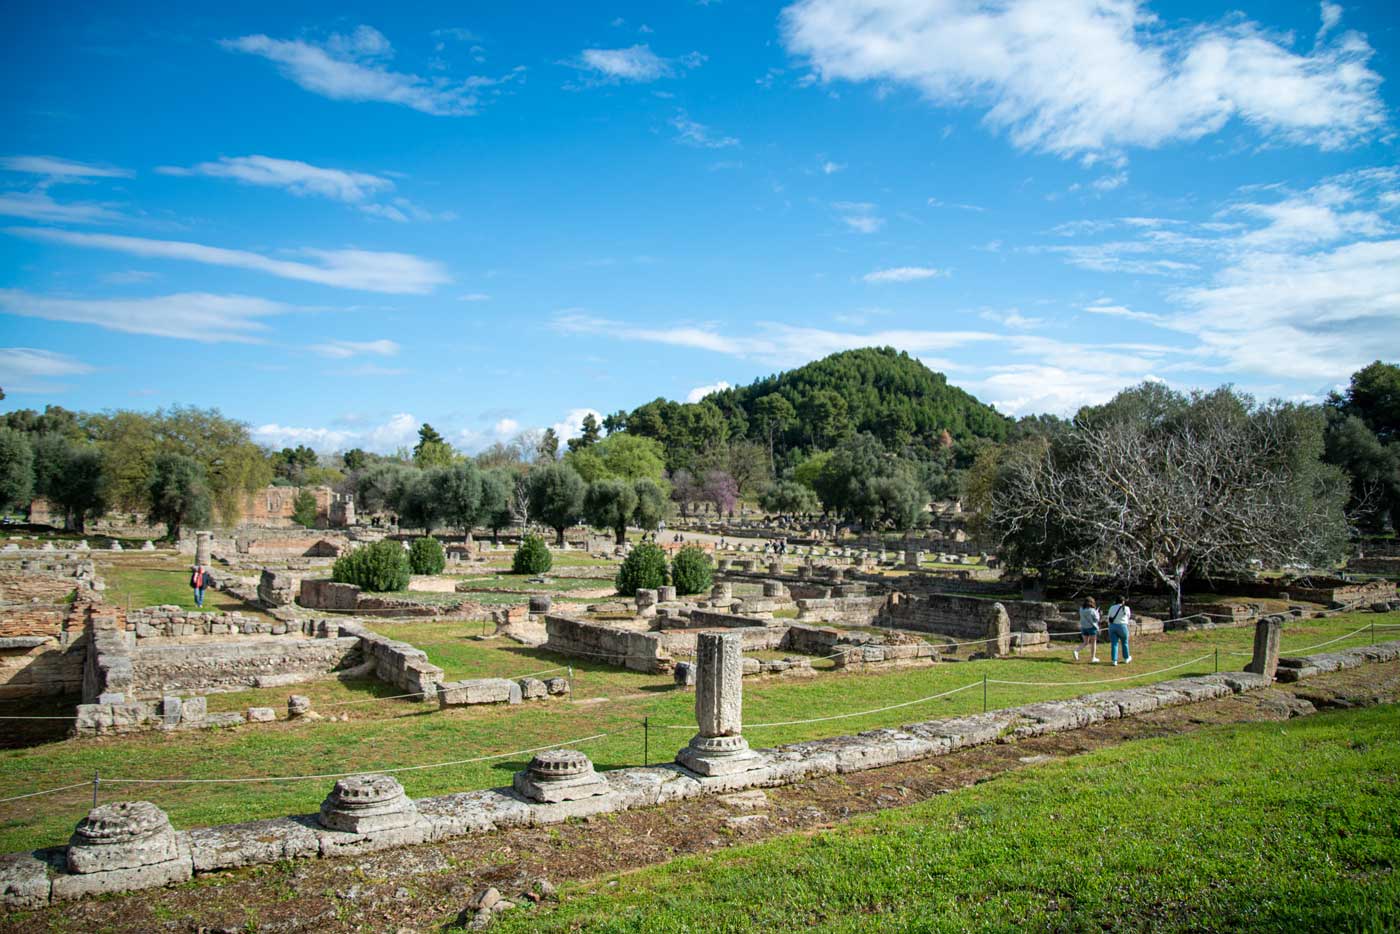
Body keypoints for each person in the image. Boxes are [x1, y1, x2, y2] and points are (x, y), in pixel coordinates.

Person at [1107, 595, 1133, 665]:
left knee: (1114, 644)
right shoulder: (1126, 608)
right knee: (1124, 642)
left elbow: (1109, 616)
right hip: (1122, 626)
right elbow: (1128, 616)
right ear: (1123, 601)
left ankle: (1114, 660)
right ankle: (1126, 658)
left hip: (1113, 626)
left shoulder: (1112, 607)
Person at [1074, 596, 1100, 663]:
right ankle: (1093, 658)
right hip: (1091, 627)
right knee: (1093, 643)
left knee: (1085, 642)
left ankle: (1076, 651)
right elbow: (1097, 619)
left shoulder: (1081, 609)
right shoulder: (1092, 610)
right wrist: (1097, 613)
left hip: (1083, 627)